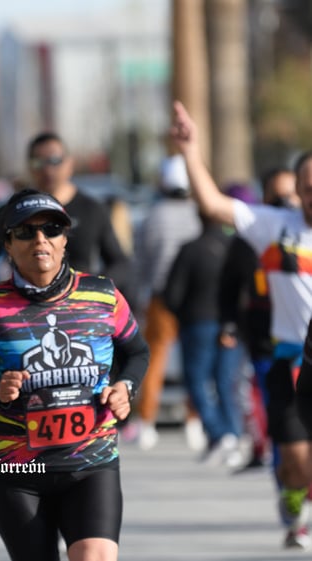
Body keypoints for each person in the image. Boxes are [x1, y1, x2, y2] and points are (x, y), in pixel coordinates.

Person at [0, 188, 149, 561]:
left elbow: (137, 353)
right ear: (8, 244)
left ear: (65, 240)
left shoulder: (102, 296)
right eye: (25, 232)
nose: (40, 240)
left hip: (91, 462)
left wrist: (125, 388)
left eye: (51, 229)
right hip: (16, 470)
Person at [171, 100, 312, 549]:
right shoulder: (277, 227)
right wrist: (191, 152)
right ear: (299, 193)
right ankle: (294, 494)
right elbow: (213, 205)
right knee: (294, 459)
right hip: (289, 362)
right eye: (308, 189)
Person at [0, 132, 132, 297]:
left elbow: (120, 263)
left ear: (70, 163)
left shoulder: (92, 209)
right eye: (38, 162)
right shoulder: (11, 212)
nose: (47, 169)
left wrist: (93, 291)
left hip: (79, 310)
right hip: (26, 311)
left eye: (55, 161)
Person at [219, 168, 299, 472]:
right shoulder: (248, 240)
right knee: (280, 420)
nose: (285, 203)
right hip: (267, 341)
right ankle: (286, 485)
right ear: (264, 197)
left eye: (291, 195)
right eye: (277, 196)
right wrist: (228, 324)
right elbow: (229, 287)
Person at [130, 155, 201, 450]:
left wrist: (138, 296)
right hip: (194, 298)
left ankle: (147, 422)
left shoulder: (153, 215)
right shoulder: (197, 214)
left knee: (154, 361)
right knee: (196, 361)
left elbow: (141, 261)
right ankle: (195, 421)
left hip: (160, 296)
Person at [163, 210, 244, 467]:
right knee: (226, 381)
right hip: (231, 325)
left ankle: (220, 434)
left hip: (197, 322)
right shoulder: (235, 248)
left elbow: (172, 294)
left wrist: (182, 314)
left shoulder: (190, 250)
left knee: (197, 381)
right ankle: (233, 434)